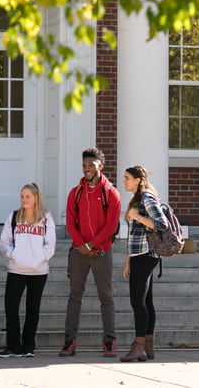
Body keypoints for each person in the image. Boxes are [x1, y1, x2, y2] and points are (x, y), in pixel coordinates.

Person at [60, 147, 122, 357]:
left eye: (91, 165)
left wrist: (93, 245)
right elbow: (70, 222)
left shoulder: (111, 193)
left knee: (106, 296)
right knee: (74, 295)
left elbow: (112, 226)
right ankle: (69, 341)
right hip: (79, 252)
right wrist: (82, 245)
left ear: (100, 166)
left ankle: (109, 341)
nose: (87, 169)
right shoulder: (76, 192)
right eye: (85, 166)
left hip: (102, 252)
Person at [0, 183, 56, 358]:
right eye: (22, 196)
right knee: (11, 307)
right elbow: (4, 242)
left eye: (28, 196)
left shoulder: (46, 217)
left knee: (32, 309)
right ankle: (14, 347)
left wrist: (40, 258)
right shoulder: (14, 217)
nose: (24, 199)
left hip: (38, 271)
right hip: (16, 269)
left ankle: (29, 347)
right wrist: (13, 255)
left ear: (36, 198)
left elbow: (50, 245)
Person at [120, 166, 168, 362]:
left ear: (138, 180)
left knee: (137, 301)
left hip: (146, 254)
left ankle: (138, 346)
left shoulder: (146, 198)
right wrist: (128, 260)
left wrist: (137, 216)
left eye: (127, 178)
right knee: (146, 301)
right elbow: (135, 234)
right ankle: (147, 344)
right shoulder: (139, 198)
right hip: (140, 254)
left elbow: (162, 224)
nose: (124, 181)